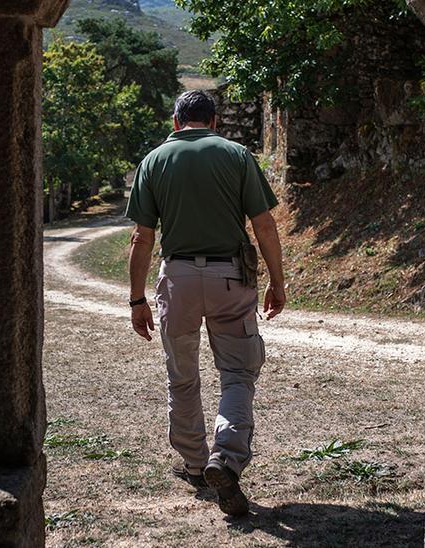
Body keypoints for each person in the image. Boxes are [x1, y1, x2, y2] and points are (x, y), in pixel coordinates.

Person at [125, 90, 287, 517]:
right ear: (214, 122)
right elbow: (264, 223)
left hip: (176, 278)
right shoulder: (237, 155)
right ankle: (226, 459)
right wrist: (277, 280)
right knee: (237, 373)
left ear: (176, 122)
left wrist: (136, 298)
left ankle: (196, 464)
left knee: (181, 376)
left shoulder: (153, 161)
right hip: (230, 278)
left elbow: (142, 238)